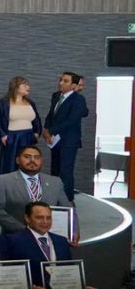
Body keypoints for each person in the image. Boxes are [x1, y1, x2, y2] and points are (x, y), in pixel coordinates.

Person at [0, 145, 71, 234]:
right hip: (16, 236)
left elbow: (67, 209)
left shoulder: (55, 182)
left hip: (49, 236)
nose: (32, 161)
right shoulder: (3, 181)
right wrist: (24, 230)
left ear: (41, 161)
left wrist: (73, 230)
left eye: (37, 158)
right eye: (27, 157)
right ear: (18, 160)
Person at [42, 72, 88, 201]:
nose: (61, 83)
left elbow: (71, 120)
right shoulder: (56, 96)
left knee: (65, 172)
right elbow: (51, 115)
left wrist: (50, 131)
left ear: (74, 85)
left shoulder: (78, 99)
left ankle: (67, 201)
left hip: (69, 141)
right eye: (61, 80)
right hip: (54, 140)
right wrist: (46, 129)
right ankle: (54, 198)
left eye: (65, 81)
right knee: (54, 170)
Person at [0, 76, 42, 174]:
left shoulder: (30, 103)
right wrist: (3, 135)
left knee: (27, 163)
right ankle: (8, 187)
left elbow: (37, 120)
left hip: (28, 137)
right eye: (25, 84)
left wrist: (37, 133)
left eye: (28, 84)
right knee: (10, 163)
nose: (28, 87)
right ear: (16, 86)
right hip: (12, 138)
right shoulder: (3, 103)